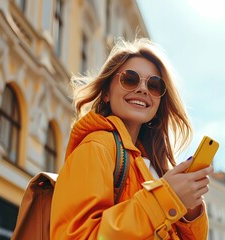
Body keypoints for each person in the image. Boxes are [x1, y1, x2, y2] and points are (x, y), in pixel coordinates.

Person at [50, 38, 213, 239]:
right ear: (107, 93)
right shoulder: (96, 146)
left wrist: (190, 210)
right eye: (130, 79)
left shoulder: (152, 165)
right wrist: (165, 199)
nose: (143, 89)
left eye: (154, 85)